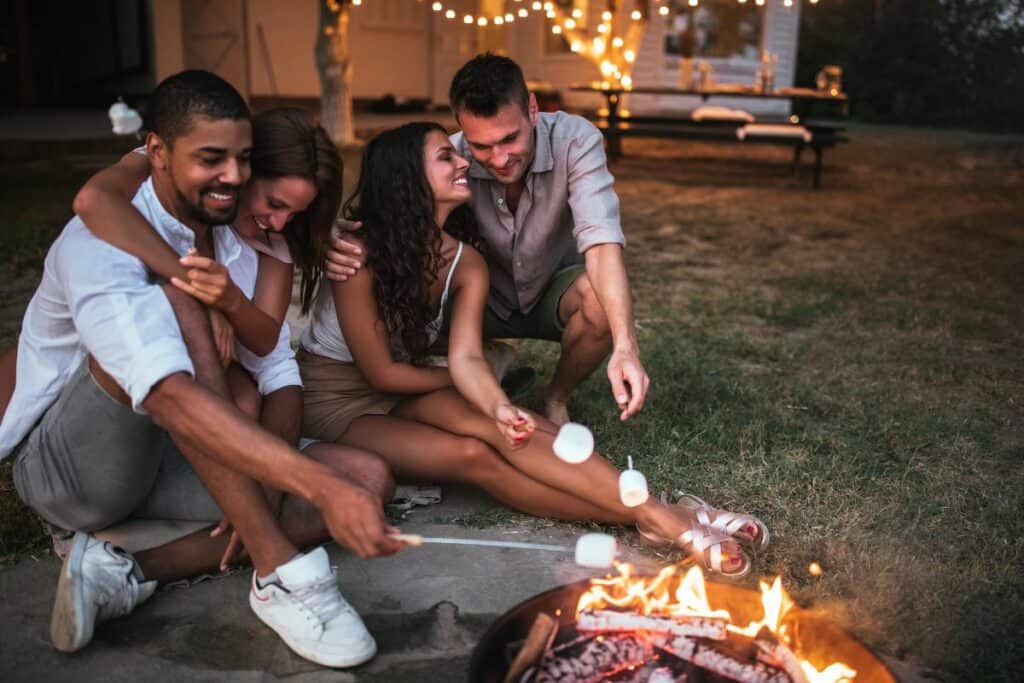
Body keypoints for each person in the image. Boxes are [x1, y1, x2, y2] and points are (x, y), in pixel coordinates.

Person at [0, 70, 403, 667]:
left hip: (168, 453)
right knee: (184, 301)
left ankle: (124, 572)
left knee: (366, 479)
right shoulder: (105, 236)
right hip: (72, 473)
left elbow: (274, 365)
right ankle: (279, 570)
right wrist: (309, 484)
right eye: (213, 160)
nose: (233, 177)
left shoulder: (231, 237)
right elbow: (164, 392)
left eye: (241, 160)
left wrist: (278, 484)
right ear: (156, 153)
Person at [298, 121, 767, 579]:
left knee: (508, 427)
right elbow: (382, 374)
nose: (463, 162)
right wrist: (481, 382)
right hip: (336, 404)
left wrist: (498, 405)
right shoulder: (357, 258)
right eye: (446, 156)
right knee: (473, 456)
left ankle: (657, 516)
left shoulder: (466, 263)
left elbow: (463, 358)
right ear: (408, 179)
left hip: (406, 383)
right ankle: (660, 518)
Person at [326, 54, 649, 426]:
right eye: (481, 146)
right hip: (474, 301)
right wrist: (332, 233)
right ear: (462, 127)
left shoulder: (576, 141)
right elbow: (389, 214)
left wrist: (625, 346)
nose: (499, 159)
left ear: (532, 109)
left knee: (599, 300)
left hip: (547, 291)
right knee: (405, 291)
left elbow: (602, 243)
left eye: (510, 139)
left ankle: (555, 397)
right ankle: (482, 362)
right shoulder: (450, 160)